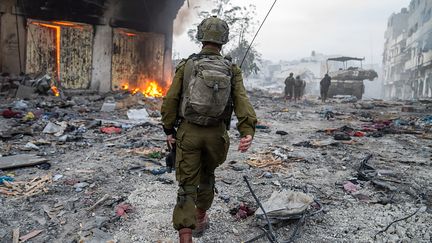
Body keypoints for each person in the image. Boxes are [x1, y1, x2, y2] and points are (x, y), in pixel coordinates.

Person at [161, 16, 257, 243]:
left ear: (201, 37)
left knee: (186, 184)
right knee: (207, 176)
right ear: (224, 40)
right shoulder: (231, 69)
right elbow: (242, 101)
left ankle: (185, 235)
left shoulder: (187, 65)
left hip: (188, 133)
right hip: (216, 135)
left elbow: (170, 100)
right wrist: (247, 131)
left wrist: (168, 129)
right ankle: (201, 218)